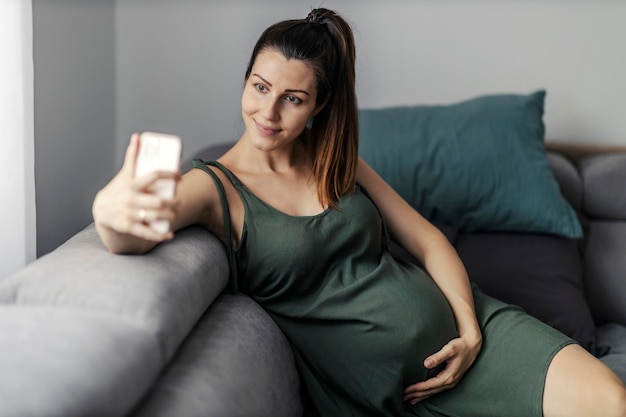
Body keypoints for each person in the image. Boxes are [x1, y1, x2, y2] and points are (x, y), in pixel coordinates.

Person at [93, 8, 626, 417]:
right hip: (394, 394)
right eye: (260, 87)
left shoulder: (335, 161)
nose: (269, 112)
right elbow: (130, 235)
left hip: (478, 340)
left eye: (293, 98)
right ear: (246, 80)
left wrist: (470, 329)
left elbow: (427, 241)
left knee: (611, 400)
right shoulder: (215, 187)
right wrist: (108, 206)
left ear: (319, 106)